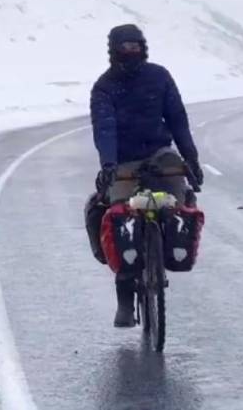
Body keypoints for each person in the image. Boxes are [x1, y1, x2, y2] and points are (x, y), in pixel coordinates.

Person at [90, 24, 204, 328]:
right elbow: (105, 129)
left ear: (144, 47)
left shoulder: (159, 76)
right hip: (124, 161)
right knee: (118, 216)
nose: (131, 52)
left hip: (160, 155)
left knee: (179, 200)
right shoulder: (104, 87)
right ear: (114, 50)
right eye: (125, 47)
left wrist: (190, 158)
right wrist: (109, 164)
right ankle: (126, 298)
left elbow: (178, 119)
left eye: (135, 46)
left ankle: (166, 249)